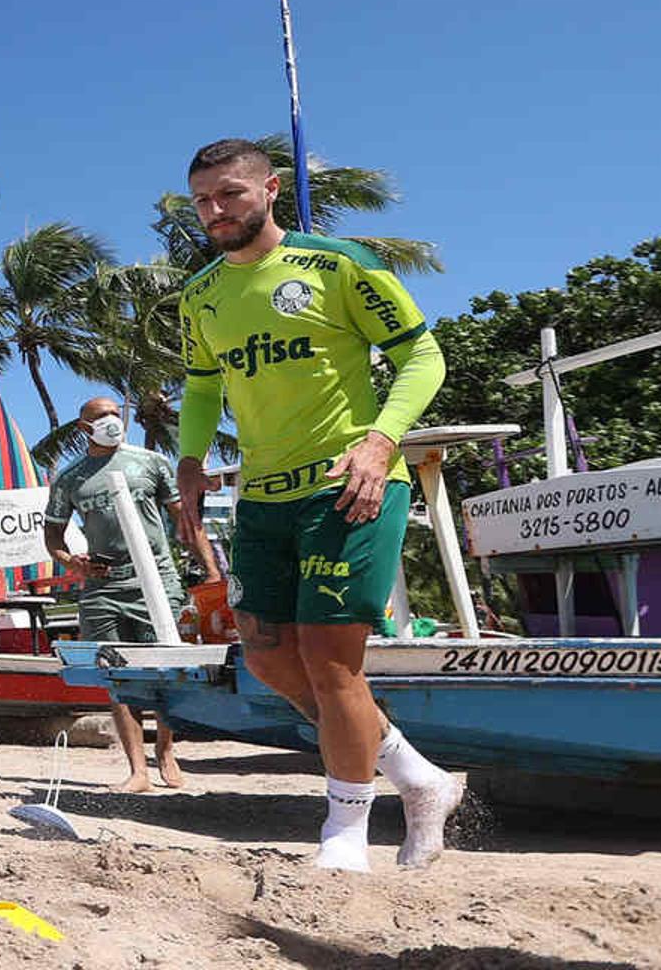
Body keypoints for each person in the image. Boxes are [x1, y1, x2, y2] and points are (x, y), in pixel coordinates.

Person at [173, 138, 458, 871]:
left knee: (333, 666)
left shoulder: (336, 265)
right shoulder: (201, 295)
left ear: (270, 189)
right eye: (203, 200)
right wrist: (191, 461)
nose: (215, 211)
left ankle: (345, 836)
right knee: (268, 659)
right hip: (263, 496)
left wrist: (380, 443)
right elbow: (204, 386)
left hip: (348, 485)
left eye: (230, 193)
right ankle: (419, 779)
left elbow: (422, 356)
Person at [44, 396, 195, 791]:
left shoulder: (151, 462)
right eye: (101, 417)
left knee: (164, 671)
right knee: (116, 676)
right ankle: (137, 770)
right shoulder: (70, 479)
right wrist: (70, 562)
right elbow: (53, 535)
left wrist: (204, 566)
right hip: (102, 585)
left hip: (156, 578)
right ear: (84, 428)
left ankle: (165, 754)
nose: (112, 421)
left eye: (115, 414)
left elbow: (183, 519)